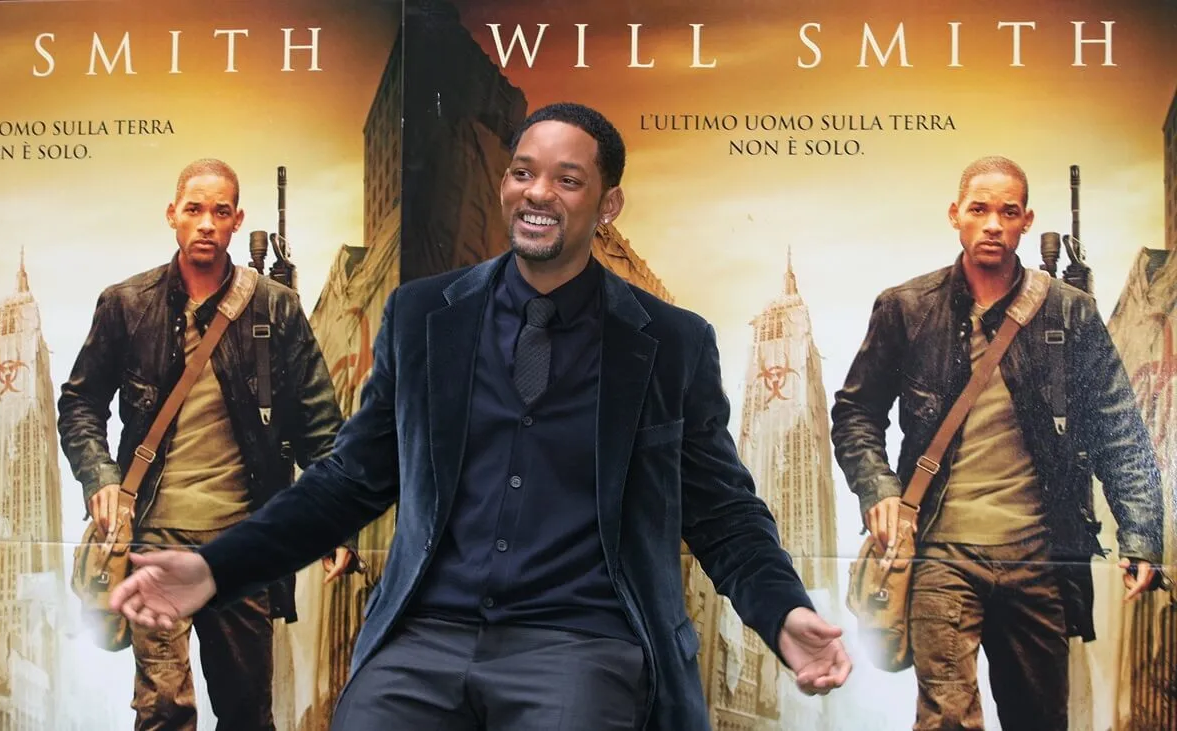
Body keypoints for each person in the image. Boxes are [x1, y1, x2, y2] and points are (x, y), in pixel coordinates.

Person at [108, 103, 852, 731]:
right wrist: (215, 567)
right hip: (425, 640)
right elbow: (347, 482)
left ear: (608, 203)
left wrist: (782, 612)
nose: (538, 193)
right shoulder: (425, 316)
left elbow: (722, 510)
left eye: (568, 179)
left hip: (582, 643)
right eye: (524, 171)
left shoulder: (670, 344)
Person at [831, 155, 1165, 731]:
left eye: (1007, 212)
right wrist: (878, 490)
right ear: (955, 214)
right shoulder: (906, 307)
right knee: (947, 721)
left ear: (1026, 220)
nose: (992, 223)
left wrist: (1141, 533)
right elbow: (856, 412)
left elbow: (1118, 428)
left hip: (1038, 556)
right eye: (979, 209)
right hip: (940, 552)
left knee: (1038, 719)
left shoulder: (1070, 312)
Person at [57, 157, 355, 731]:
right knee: (164, 709)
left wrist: (334, 524)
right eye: (194, 209)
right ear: (173, 214)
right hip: (152, 541)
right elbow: (80, 404)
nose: (206, 224)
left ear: (236, 220)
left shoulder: (275, 307)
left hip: (244, 545)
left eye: (220, 212)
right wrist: (101, 479)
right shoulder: (126, 304)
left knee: (246, 713)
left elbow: (320, 423)